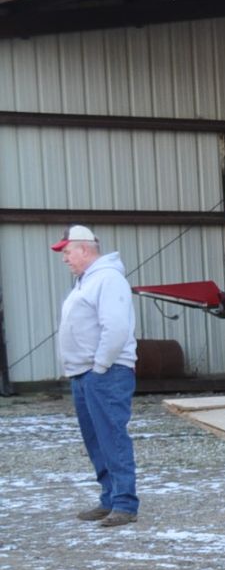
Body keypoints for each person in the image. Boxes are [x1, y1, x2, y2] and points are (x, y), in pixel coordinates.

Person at [55, 225, 140, 527]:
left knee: (111, 435)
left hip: (105, 372)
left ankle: (124, 503)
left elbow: (115, 328)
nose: (64, 258)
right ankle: (109, 498)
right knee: (96, 439)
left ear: (85, 249)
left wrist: (100, 366)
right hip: (86, 373)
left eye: (67, 251)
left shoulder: (107, 279)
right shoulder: (86, 281)